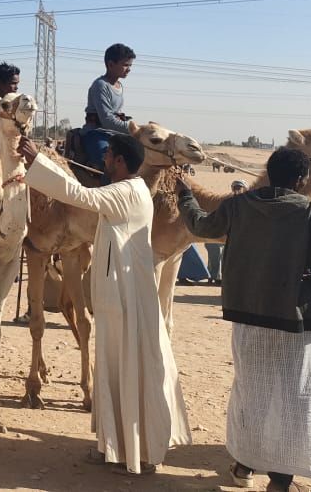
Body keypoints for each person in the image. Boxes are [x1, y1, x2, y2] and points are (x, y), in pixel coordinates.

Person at [176, 147, 311, 492]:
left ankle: (244, 466)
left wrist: (185, 196)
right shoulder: (310, 212)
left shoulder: (238, 205)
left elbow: (200, 224)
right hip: (295, 321)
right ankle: (280, 481)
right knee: (293, 399)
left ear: (270, 173)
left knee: (252, 394)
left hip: (248, 318)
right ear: (302, 179)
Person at [18, 133, 190, 474]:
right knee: (112, 370)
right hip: (117, 299)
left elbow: (79, 195)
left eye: (109, 154)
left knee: (128, 371)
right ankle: (111, 446)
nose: (104, 159)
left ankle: (139, 454)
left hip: (127, 300)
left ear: (121, 161)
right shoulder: (131, 189)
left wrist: (38, 161)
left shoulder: (127, 192)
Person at [81, 43, 137, 169]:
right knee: (107, 163)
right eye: (125, 65)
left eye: (130, 65)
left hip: (113, 134)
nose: (129, 69)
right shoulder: (100, 85)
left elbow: (117, 114)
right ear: (111, 64)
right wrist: (134, 129)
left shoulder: (119, 86)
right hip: (96, 133)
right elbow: (107, 120)